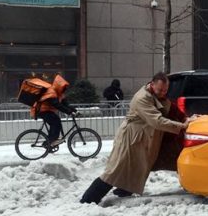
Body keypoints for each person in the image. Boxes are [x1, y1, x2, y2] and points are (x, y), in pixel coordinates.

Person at [80, 72, 189, 204]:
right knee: (113, 172)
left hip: (141, 138)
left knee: (136, 167)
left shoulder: (156, 95)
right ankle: (88, 200)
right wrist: (182, 126)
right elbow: (156, 121)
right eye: (160, 90)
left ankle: (123, 191)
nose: (163, 93)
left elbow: (170, 108)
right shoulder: (142, 98)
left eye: (165, 90)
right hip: (130, 139)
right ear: (152, 84)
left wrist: (184, 117)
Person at [31, 74, 77, 148]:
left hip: (47, 110)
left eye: (65, 88)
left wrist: (75, 111)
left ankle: (49, 143)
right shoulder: (51, 92)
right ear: (59, 86)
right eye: (63, 88)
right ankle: (52, 141)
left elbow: (66, 105)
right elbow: (57, 105)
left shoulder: (59, 94)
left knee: (56, 121)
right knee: (55, 121)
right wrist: (69, 112)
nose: (64, 90)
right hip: (41, 110)